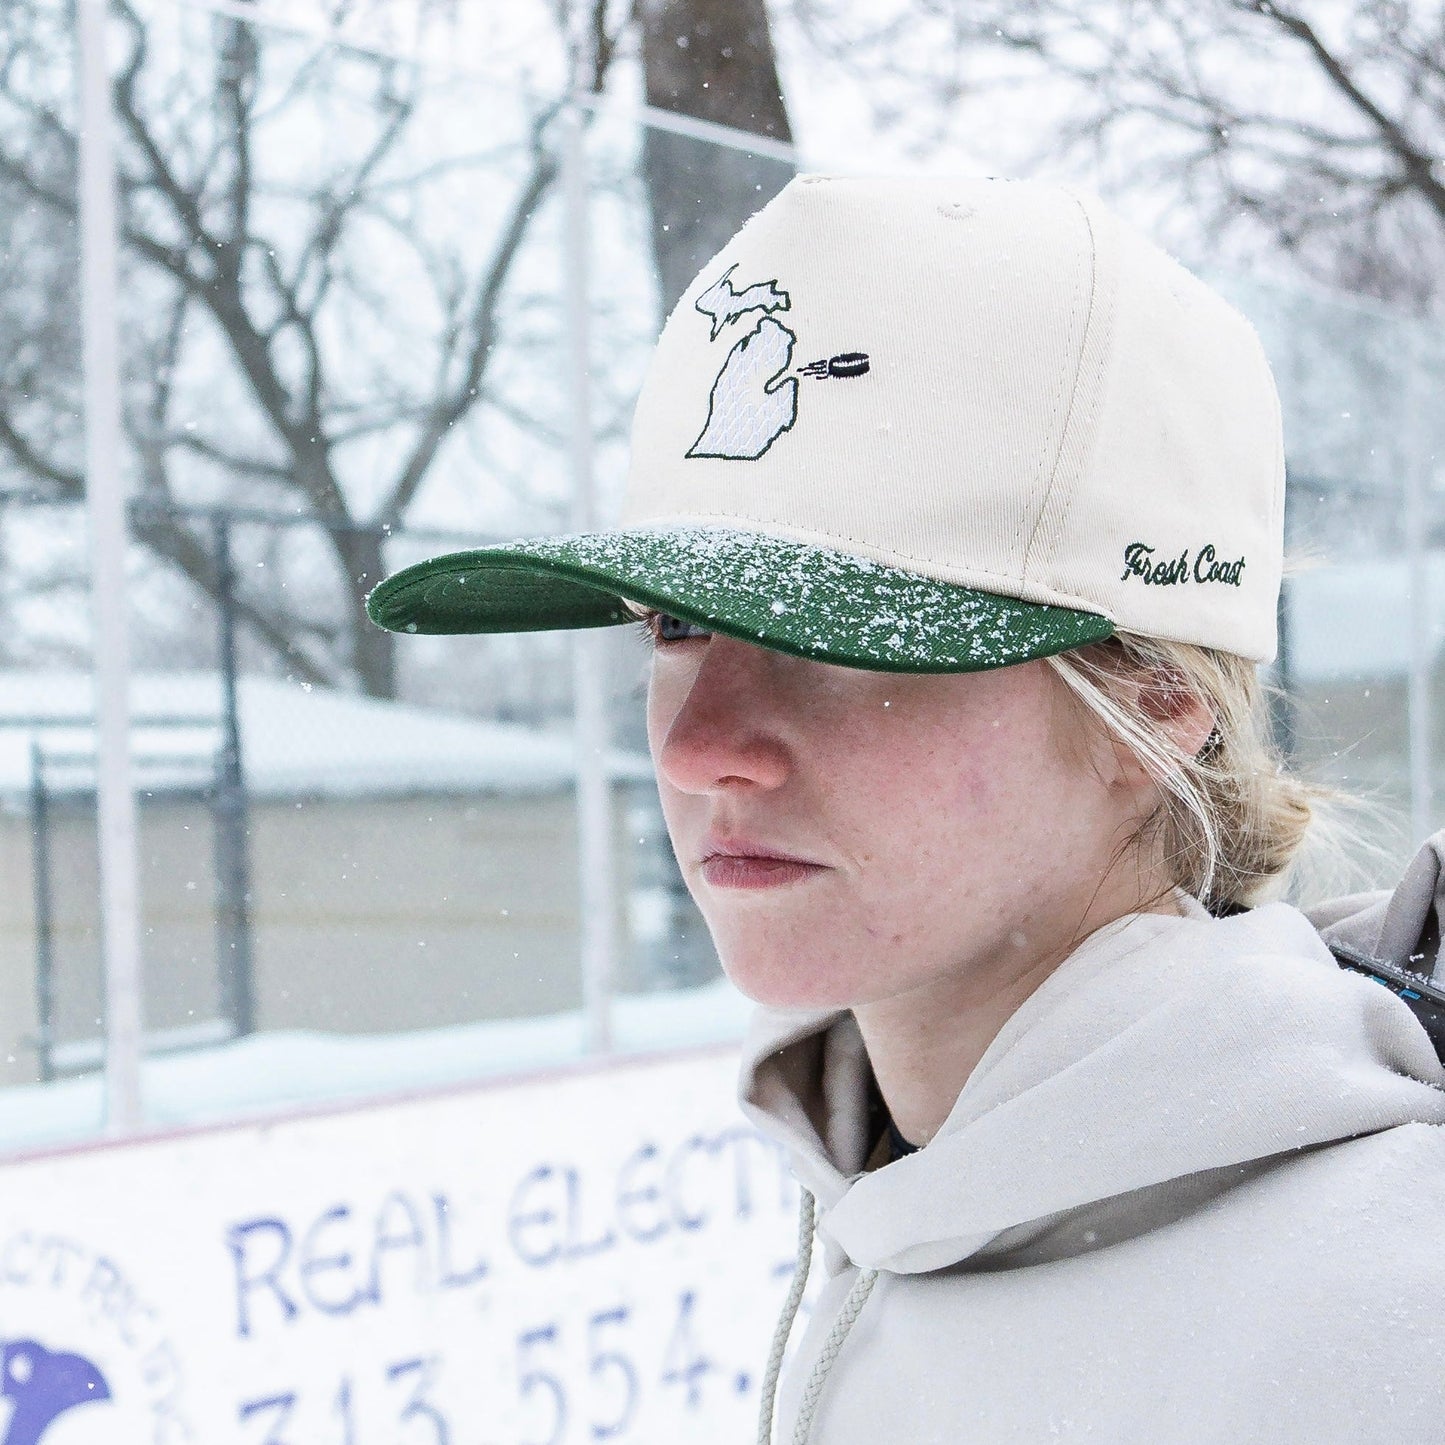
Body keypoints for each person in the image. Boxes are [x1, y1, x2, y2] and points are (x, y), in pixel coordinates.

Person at [367, 176, 1445, 1442]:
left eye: (835, 636)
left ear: (1156, 700)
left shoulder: (1383, 1325)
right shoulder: (900, 1199)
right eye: (673, 626)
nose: (699, 746)